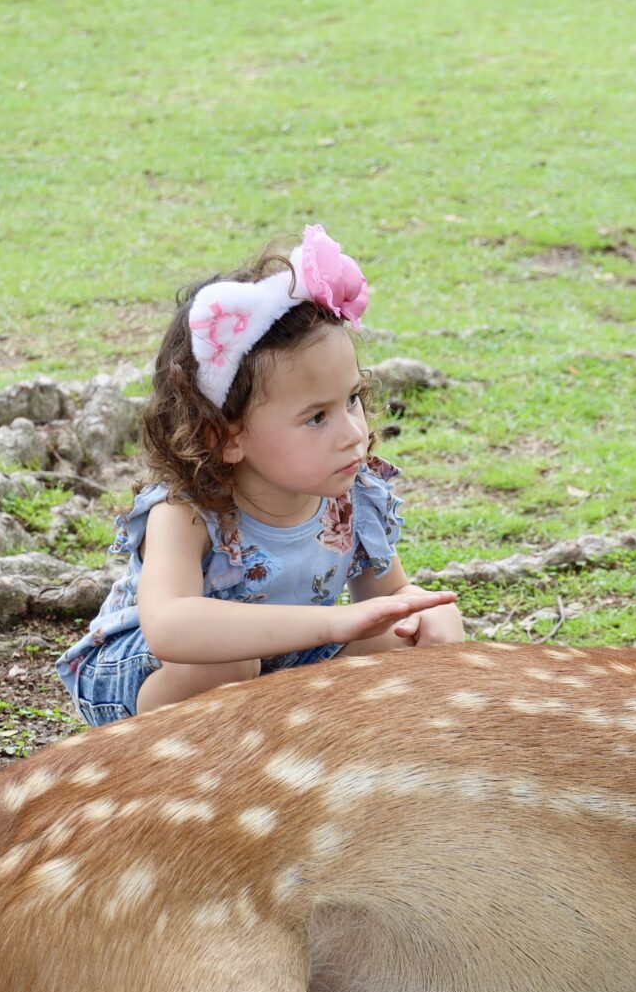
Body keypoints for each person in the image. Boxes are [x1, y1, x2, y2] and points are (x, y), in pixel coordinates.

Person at [57, 226, 462, 724]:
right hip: (148, 680)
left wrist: (423, 613)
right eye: (317, 417)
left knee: (401, 636)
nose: (353, 433)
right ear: (225, 437)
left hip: (283, 670)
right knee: (227, 659)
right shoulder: (186, 511)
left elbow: (389, 599)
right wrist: (334, 622)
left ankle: (307, 748)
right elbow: (170, 626)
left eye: (352, 399)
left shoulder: (352, 497)